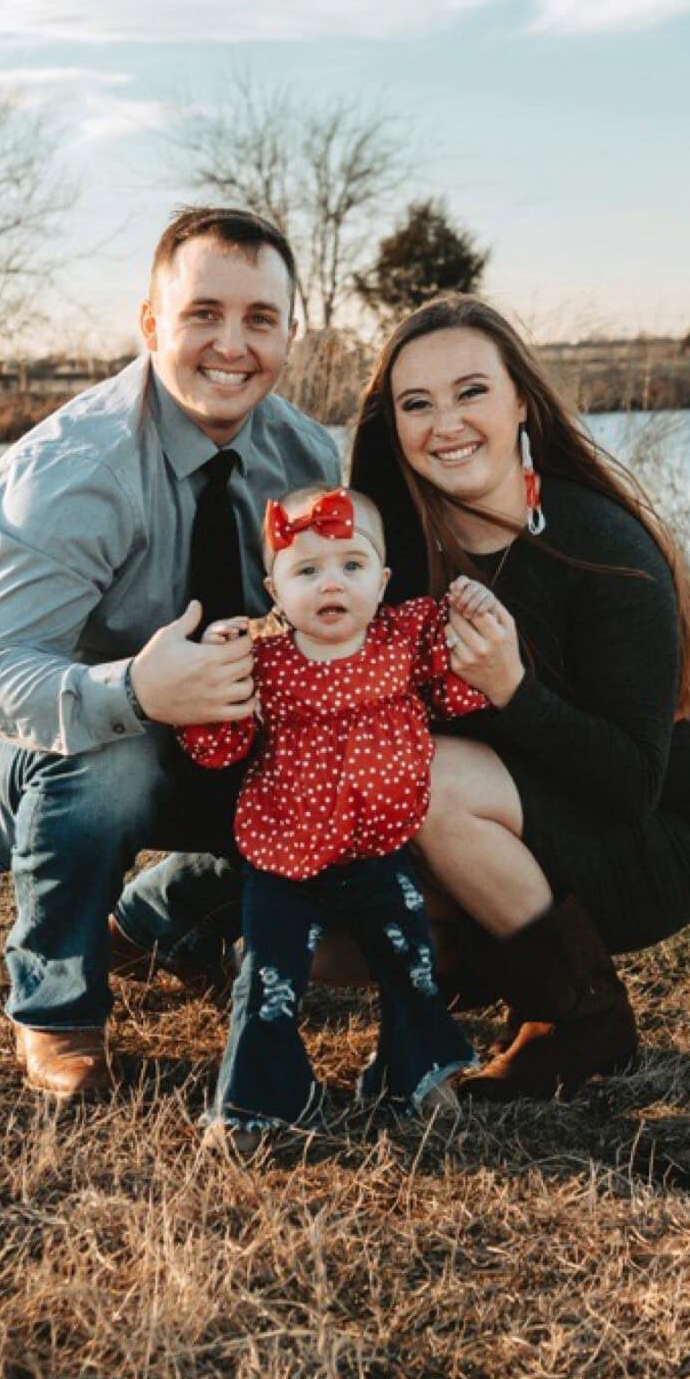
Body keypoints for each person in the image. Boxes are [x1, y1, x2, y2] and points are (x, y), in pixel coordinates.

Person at [0, 208, 338, 1102]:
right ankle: (56, 1010)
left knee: (325, 753)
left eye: (261, 319)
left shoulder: (304, 455)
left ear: (290, 333)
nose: (233, 344)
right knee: (117, 757)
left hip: (181, 712)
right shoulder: (79, 465)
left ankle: (152, 922)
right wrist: (140, 692)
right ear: (151, 324)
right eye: (202, 314)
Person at [348, 296, 690, 1101]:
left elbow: (633, 786)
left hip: (654, 839)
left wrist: (513, 692)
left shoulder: (601, 548)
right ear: (392, 425)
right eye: (416, 404)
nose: (445, 424)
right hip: (520, 814)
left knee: (434, 776)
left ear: (519, 399)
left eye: (470, 392)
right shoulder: (395, 550)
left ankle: (577, 1016)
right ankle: (476, 962)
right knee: (320, 944)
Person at [178, 484, 484, 1148]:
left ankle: (414, 1079)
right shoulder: (263, 665)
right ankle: (261, 1108)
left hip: (380, 854)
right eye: (307, 570)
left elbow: (459, 696)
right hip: (282, 862)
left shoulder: (402, 642)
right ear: (274, 590)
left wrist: (473, 613)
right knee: (269, 984)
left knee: (410, 965)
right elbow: (217, 748)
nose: (331, 584)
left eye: (351, 565)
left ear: (382, 580)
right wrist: (212, 663)